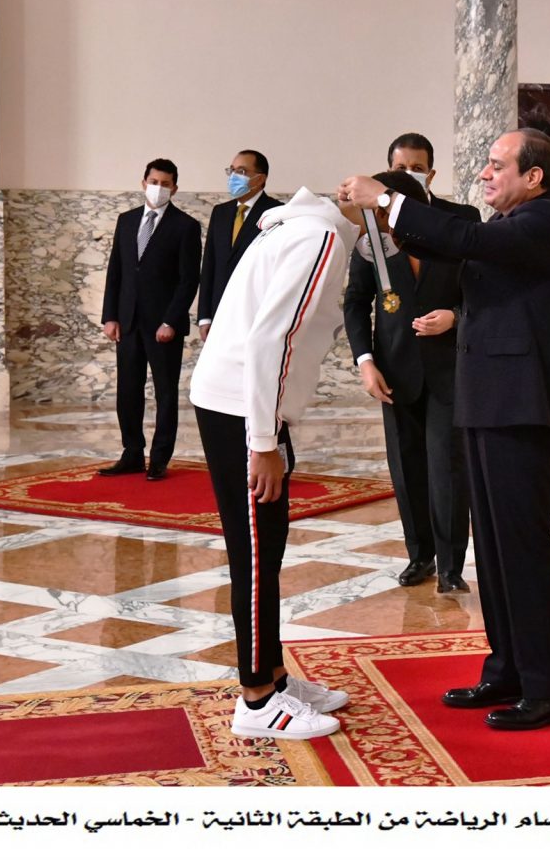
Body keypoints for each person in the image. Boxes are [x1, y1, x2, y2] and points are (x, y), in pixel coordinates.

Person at [339, 127, 550, 731]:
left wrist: (386, 199)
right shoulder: (509, 223)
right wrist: (385, 220)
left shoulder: (547, 220)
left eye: (497, 165)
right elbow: (452, 245)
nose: (484, 174)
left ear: (534, 176)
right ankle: (507, 669)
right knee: (494, 550)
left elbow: (463, 237)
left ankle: (549, 688)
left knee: (522, 548)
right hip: (489, 403)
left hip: (524, 408)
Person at [190, 187, 357, 740]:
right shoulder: (322, 236)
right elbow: (273, 337)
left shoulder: (301, 226)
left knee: (269, 544)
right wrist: (262, 441)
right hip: (242, 407)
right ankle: (257, 699)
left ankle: (275, 676)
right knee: (257, 553)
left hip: (244, 402)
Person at [344, 169, 470, 593]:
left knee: (447, 468)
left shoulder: (453, 233)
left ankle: (451, 566)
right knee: (406, 466)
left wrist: (455, 317)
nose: (378, 224)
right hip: (394, 372)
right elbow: (356, 303)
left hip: (449, 370)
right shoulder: (372, 243)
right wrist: (365, 362)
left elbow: (482, 296)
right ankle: (421, 555)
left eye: (381, 212)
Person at [99, 158, 201, 481]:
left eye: (165, 184)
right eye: (154, 182)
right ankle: (131, 453)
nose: (159, 188)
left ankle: (159, 458)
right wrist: (110, 316)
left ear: (174, 188)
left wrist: (171, 320)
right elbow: (116, 271)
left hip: (163, 327)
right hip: (127, 322)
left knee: (165, 393)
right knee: (128, 391)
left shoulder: (186, 226)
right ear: (144, 183)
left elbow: (189, 280)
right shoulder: (126, 220)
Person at [197, 150, 282, 341]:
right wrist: (204, 316)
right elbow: (210, 264)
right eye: (232, 170)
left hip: (255, 314)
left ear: (260, 178)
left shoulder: (277, 212)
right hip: (219, 312)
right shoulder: (220, 212)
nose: (234, 177)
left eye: (241, 171)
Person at [386, 131, 482, 222]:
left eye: (417, 168)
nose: (408, 176)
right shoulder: (379, 216)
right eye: (401, 168)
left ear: (430, 176)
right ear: (389, 175)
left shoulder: (464, 217)